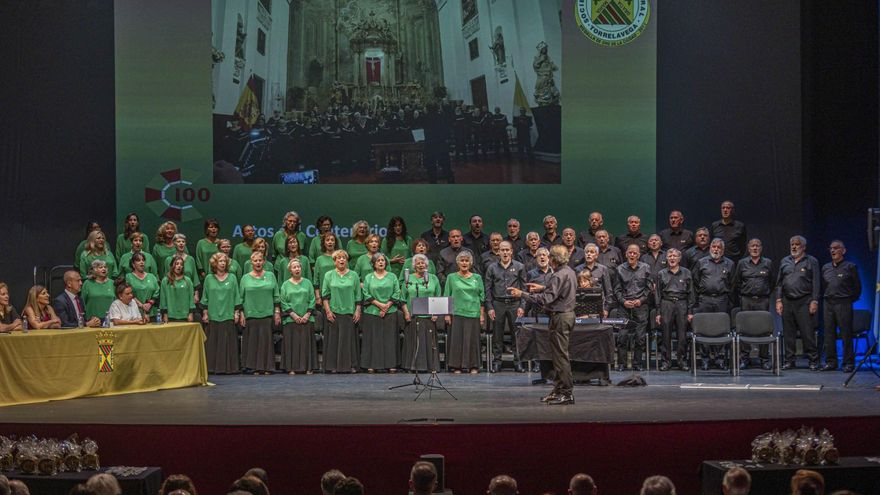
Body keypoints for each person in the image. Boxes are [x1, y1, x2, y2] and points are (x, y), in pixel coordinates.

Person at [508, 245, 577, 405]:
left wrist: (522, 294)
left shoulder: (558, 275)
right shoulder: (570, 272)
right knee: (559, 355)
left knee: (560, 356)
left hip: (560, 317)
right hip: (566, 316)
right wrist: (544, 287)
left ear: (553, 259)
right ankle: (559, 389)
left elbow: (545, 300)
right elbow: (558, 290)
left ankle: (566, 393)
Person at [776, 235, 820, 370]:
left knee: (807, 333)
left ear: (804, 247)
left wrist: (814, 300)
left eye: (797, 244)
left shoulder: (811, 261)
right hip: (787, 301)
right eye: (792, 245)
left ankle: (813, 360)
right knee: (789, 334)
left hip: (804, 301)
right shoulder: (785, 261)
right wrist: (778, 300)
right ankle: (790, 360)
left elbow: (816, 282)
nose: (794, 247)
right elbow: (779, 283)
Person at [732, 238, 775, 370]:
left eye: (757, 246)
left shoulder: (768, 263)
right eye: (752, 246)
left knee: (764, 330)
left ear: (761, 248)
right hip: (747, 300)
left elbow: (773, 282)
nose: (755, 248)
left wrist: (765, 292)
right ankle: (744, 358)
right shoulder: (742, 263)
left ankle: (764, 359)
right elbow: (736, 282)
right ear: (749, 248)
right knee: (745, 329)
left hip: (763, 300)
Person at [484, 241, 527, 372]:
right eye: (502, 250)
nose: (505, 252)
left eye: (507, 250)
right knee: (497, 335)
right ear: (499, 252)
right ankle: (497, 362)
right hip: (498, 304)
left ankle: (518, 361)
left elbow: (524, 288)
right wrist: (489, 307)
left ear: (511, 251)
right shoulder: (492, 268)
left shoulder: (520, 266)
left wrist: (522, 306)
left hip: (515, 304)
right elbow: (488, 289)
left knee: (517, 334)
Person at [694, 238, 735, 370]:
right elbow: (695, 281)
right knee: (704, 329)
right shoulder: (701, 262)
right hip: (705, 300)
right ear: (710, 248)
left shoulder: (730, 264)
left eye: (719, 247)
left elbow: (733, 284)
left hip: (722, 300)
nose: (716, 249)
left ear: (723, 250)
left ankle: (719, 358)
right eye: (714, 247)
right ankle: (705, 358)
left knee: (721, 330)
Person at [821, 240, 861, 372]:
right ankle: (831, 362)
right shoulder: (826, 267)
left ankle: (848, 363)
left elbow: (857, 288)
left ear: (843, 251)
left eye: (836, 248)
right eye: (831, 248)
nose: (833, 251)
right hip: (828, 303)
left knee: (845, 334)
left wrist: (848, 300)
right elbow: (823, 287)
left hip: (843, 303)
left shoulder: (850, 266)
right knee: (829, 334)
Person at [444, 250, 486, 374]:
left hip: (473, 313)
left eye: (466, 260)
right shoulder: (451, 277)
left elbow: (482, 297)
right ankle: (457, 366)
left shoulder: (477, 278)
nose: (464, 263)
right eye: (462, 260)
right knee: (457, 340)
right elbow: (447, 296)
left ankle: (473, 366)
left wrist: (482, 314)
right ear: (458, 263)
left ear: (470, 263)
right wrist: (447, 314)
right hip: (457, 313)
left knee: (472, 341)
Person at [201, 252, 242, 374]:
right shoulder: (209, 278)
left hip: (228, 314)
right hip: (213, 315)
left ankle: (229, 368)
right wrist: (205, 313)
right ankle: (212, 368)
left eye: (224, 261)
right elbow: (205, 297)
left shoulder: (232, 278)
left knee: (228, 342)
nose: (223, 263)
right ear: (215, 263)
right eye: (220, 261)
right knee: (213, 343)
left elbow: (236, 296)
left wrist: (236, 313)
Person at [240, 251, 280, 375]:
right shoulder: (245, 278)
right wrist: (241, 313)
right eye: (255, 260)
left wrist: (277, 312)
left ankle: (267, 367)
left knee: (266, 342)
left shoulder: (270, 275)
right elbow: (240, 297)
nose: (258, 262)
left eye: (260, 260)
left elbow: (276, 295)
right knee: (252, 342)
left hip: (267, 313)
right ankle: (253, 367)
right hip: (251, 314)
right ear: (251, 262)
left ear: (263, 262)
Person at [360, 253, 401, 372]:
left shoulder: (392, 276)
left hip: (390, 311)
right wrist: (380, 305)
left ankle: (391, 364)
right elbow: (366, 293)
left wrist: (387, 306)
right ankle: (372, 364)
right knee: (373, 339)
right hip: (372, 311)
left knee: (389, 339)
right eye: (378, 260)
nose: (381, 262)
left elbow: (397, 292)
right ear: (373, 263)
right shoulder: (368, 277)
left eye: (383, 260)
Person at [322, 250, 362, 373]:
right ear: (334, 261)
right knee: (334, 341)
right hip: (334, 313)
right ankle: (333, 366)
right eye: (338, 258)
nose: (341, 260)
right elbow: (324, 295)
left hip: (349, 313)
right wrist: (328, 311)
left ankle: (351, 365)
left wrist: (358, 310)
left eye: (344, 258)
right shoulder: (328, 275)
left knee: (349, 341)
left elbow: (358, 295)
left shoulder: (354, 275)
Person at [655, 249, 695, 371]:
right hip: (666, 303)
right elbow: (657, 294)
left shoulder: (686, 273)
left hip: (682, 304)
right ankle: (666, 362)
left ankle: (681, 361)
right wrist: (658, 312)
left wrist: (690, 311)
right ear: (667, 258)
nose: (672, 258)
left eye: (675, 256)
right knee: (665, 335)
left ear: (679, 258)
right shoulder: (661, 273)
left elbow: (691, 293)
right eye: (670, 256)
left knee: (682, 335)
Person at [400, 253, 442, 371]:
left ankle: (430, 366)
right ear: (414, 265)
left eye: (422, 263)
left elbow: (438, 295)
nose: (420, 265)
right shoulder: (408, 279)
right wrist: (406, 313)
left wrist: (435, 313)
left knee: (429, 342)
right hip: (413, 316)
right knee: (414, 342)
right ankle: (412, 366)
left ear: (426, 265)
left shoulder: (433, 278)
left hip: (429, 317)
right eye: (418, 263)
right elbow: (402, 298)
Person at [615, 244, 652, 371]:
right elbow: (617, 290)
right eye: (629, 253)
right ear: (626, 254)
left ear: (638, 255)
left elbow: (649, 289)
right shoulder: (619, 269)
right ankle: (621, 364)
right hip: (624, 307)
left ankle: (637, 364)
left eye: (634, 253)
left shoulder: (646, 268)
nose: (632, 255)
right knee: (622, 337)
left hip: (640, 306)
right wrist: (623, 301)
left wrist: (641, 300)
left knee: (640, 337)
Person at [279, 258, 317, 374]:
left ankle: (308, 367)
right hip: (291, 319)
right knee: (293, 344)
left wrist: (307, 314)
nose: (297, 269)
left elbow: (312, 299)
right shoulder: (285, 285)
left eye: (298, 267)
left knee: (306, 344)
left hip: (306, 318)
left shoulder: (307, 283)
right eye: (294, 267)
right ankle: (292, 368)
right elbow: (283, 301)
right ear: (290, 270)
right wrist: (293, 315)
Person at [576, 244, 614, 316]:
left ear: (596, 255)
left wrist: (606, 309)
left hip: (599, 307)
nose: (589, 254)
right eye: (587, 252)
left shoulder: (603, 269)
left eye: (592, 252)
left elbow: (608, 291)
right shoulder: (578, 269)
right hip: (582, 307)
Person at [160, 255, 196, 323]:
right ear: (172, 266)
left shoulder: (187, 281)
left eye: (181, 264)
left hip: (185, 316)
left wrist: (191, 314)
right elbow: (163, 299)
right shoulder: (165, 281)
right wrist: (165, 315)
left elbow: (191, 298)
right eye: (177, 264)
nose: (179, 266)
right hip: (171, 316)